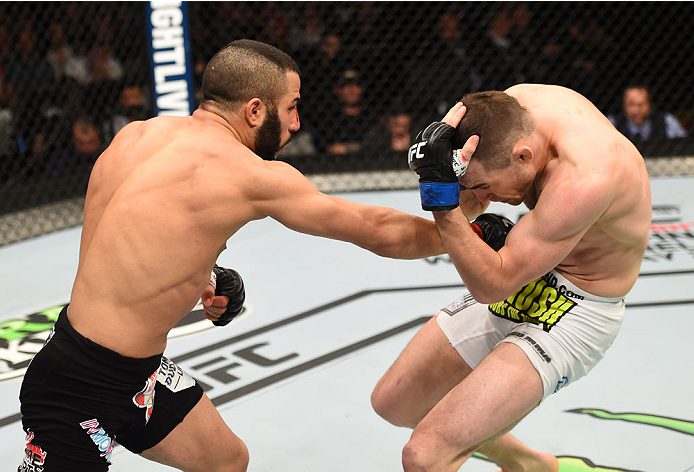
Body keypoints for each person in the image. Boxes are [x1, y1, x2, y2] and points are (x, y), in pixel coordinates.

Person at [17, 39, 462, 472]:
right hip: (77, 384)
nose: (297, 123)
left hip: (133, 371)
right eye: (290, 106)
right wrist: (463, 221)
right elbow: (379, 231)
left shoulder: (136, 136)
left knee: (226, 461)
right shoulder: (250, 175)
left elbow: (118, 246)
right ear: (254, 110)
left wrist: (205, 274)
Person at [371, 84, 652, 471]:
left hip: (577, 307)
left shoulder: (586, 176)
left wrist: (440, 194)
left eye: (484, 185)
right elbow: (470, 187)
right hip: (528, 273)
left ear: (524, 155)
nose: (480, 196)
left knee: (424, 456)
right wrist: (448, 167)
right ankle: (528, 464)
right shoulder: (514, 110)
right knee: (395, 401)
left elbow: (491, 286)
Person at [608, 84, 687, 142]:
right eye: (631, 104)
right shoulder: (612, 123)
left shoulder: (666, 121)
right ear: (624, 105)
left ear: (649, 105)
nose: (636, 110)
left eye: (640, 105)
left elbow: (683, 144)